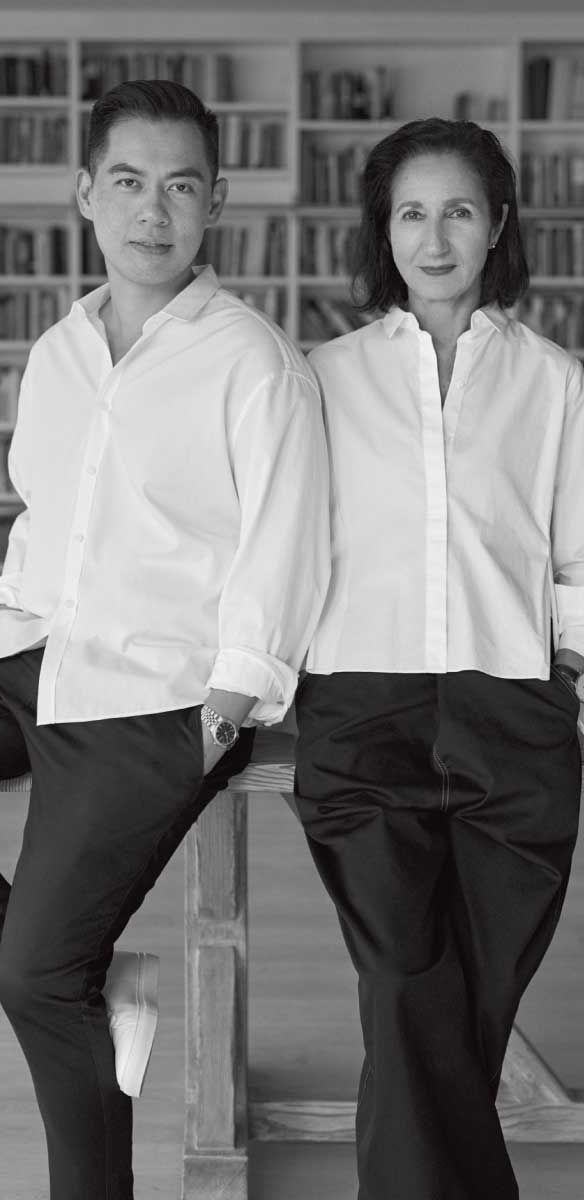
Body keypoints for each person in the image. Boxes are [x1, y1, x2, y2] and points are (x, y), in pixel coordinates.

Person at [0, 80, 330, 1200]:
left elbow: (287, 541)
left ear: (216, 203)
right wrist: (7, 625)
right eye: (128, 182)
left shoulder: (254, 361)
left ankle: (68, 1021)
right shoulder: (60, 349)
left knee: (42, 986)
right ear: (84, 193)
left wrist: (233, 698)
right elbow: (49, 513)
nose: (152, 210)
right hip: (30, 645)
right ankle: (77, 977)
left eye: (179, 185)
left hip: (159, 688)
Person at [296, 117, 584, 1200]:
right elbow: (291, 542)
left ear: (496, 222)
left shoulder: (553, 381)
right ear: (382, 228)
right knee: (405, 981)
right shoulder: (320, 377)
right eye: (409, 211)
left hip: (512, 709)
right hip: (360, 709)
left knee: (472, 996)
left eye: (456, 209)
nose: (432, 234)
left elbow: (573, 556)